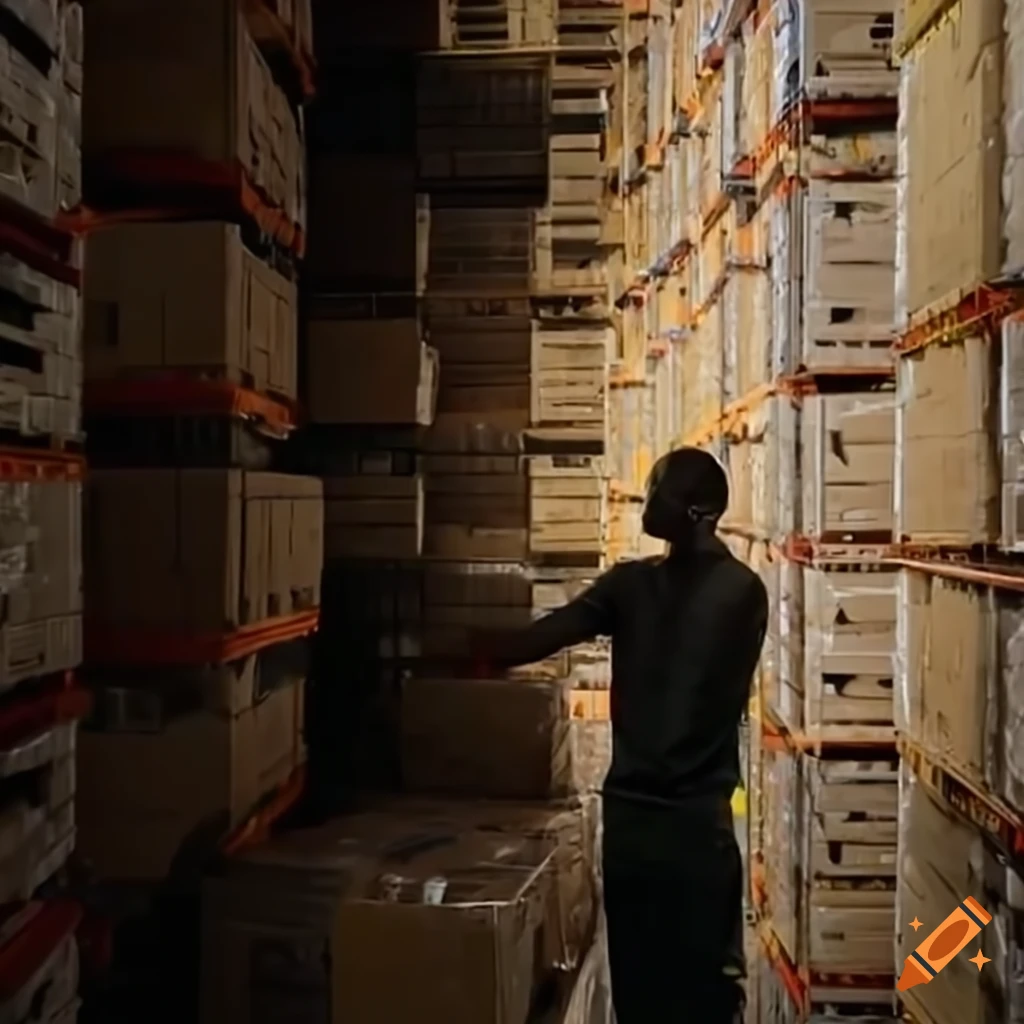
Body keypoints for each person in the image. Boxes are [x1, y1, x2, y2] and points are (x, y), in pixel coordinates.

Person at [474, 446, 768, 1023]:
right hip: (697, 832)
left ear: (692, 508)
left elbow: (535, 640)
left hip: (634, 827)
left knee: (640, 988)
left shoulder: (630, 587)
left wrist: (457, 648)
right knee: (706, 993)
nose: (649, 496)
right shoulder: (744, 591)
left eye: (659, 486)